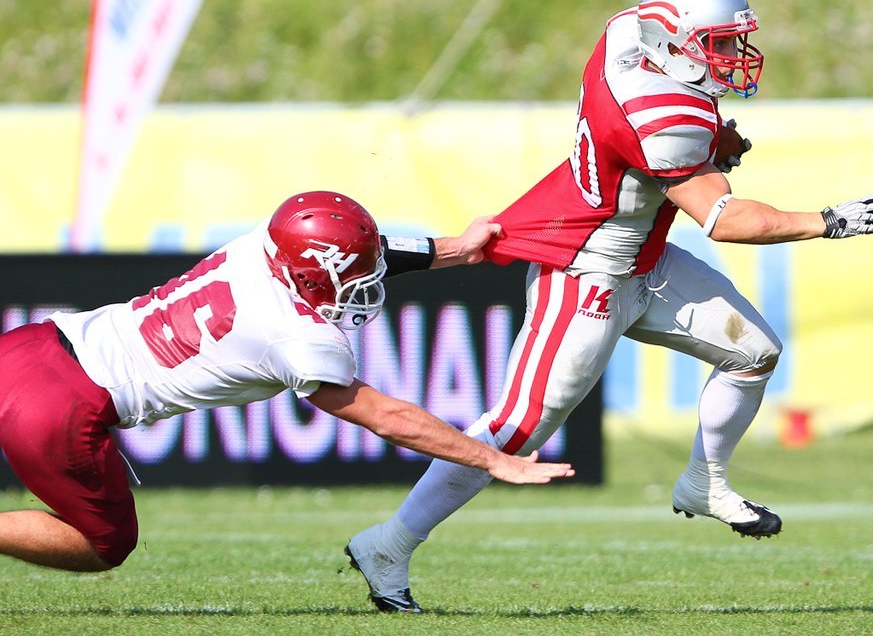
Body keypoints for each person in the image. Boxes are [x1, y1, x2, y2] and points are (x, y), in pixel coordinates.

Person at [345, 0, 873, 613]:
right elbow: (725, 219)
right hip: (587, 273)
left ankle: (705, 482)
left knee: (754, 352)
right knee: (516, 428)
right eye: (717, 43)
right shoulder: (663, 118)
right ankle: (388, 544)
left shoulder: (627, 37)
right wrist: (826, 221)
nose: (731, 56)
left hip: (646, 260)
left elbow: (676, 131)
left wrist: (711, 142)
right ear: (671, 42)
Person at [0, 190, 574, 573]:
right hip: (60, 410)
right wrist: (492, 460)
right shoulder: (295, 337)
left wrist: (455, 249)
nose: (366, 279)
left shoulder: (263, 244)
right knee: (106, 544)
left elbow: (365, 253)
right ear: (311, 275)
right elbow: (387, 417)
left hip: (33, 343)